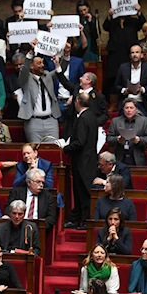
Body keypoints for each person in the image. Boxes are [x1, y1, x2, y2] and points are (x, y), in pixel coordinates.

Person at [61, 92, 99, 229]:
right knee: (81, 191)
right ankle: (78, 219)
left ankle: (84, 220)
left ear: (77, 102)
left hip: (82, 162)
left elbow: (80, 142)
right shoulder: (92, 116)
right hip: (88, 160)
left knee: (82, 192)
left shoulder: (83, 118)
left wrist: (66, 148)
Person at [17, 39, 61, 142]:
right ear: (31, 66)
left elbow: (59, 71)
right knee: (34, 151)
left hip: (51, 121)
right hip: (33, 122)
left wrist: (64, 57)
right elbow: (24, 69)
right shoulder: (26, 79)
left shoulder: (47, 76)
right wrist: (31, 52)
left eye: (42, 63)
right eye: (39, 63)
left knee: (52, 150)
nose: (42, 65)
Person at [105, 5, 147, 106]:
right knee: (113, 77)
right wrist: (109, 16)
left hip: (128, 52)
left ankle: (128, 100)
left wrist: (138, 11)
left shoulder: (132, 21)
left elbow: (142, 23)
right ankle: (113, 103)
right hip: (115, 54)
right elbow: (105, 27)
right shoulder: (114, 21)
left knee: (127, 75)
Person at [107, 99, 147, 166]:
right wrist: (117, 139)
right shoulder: (115, 121)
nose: (129, 110)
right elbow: (109, 139)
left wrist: (138, 140)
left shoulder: (144, 121)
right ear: (123, 109)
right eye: (126, 108)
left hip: (136, 157)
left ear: (136, 109)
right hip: (120, 157)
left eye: (131, 108)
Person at [113, 45, 147, 115]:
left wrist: (142, 89)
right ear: (130, 55)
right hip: (126, 101)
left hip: (140, 102)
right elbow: (116, 86)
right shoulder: (123, 67)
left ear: (141, 55)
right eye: (132, 53)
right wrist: (124, 90)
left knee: (144, 121)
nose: (135, 55)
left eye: (137, 52)